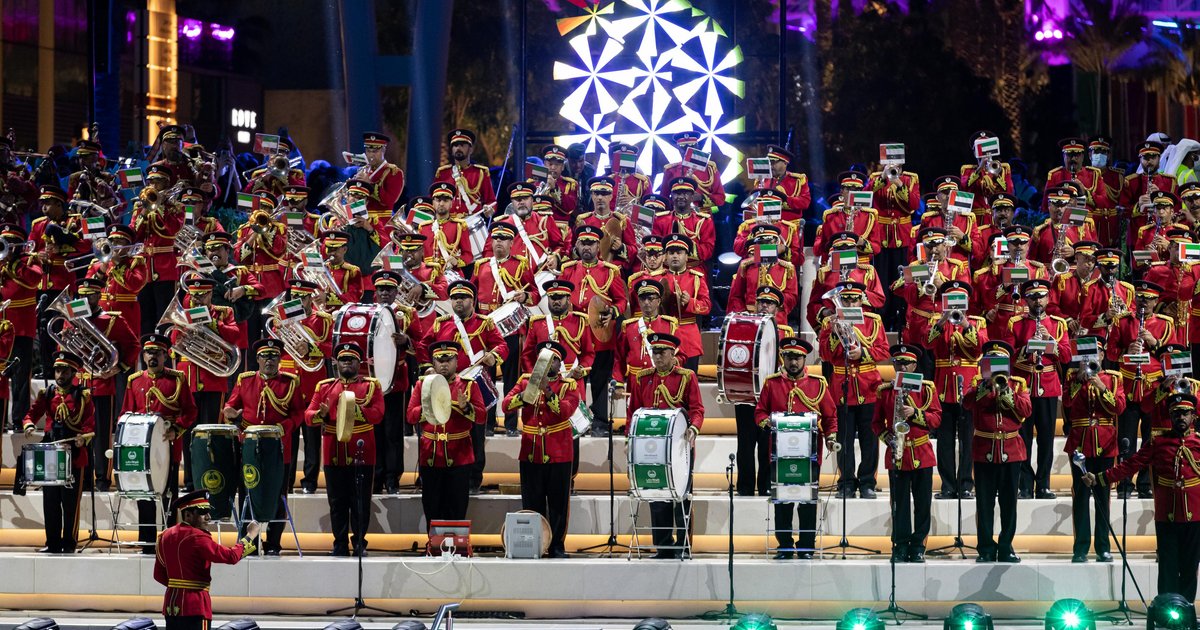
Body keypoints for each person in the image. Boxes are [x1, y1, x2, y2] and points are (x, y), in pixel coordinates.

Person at [1085, 393, 1200, 601]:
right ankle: (1167, 608)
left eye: (1185, 413)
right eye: (1176, 414)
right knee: (1167, 566)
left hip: (1195, 515)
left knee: (1190, 567)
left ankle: (1187, 608)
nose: (1181, 417)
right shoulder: (1158, 443)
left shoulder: (1198, 442)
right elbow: (1131, 465)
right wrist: (1101, 478)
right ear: (1170, 417)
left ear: (1193, 416)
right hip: (1167, 515)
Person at [418, 279, 507, 492]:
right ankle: (436, 473)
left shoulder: (485, 323)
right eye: (455, 298)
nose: (458, 301)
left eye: (463, 297)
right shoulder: (441, 323)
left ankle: (473, 479)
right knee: (440, 428)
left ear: (473, 300)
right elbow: (422, 345)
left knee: (475, 433)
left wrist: (493, 357)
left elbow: (502, 345)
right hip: (443, 385)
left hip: (472, 387)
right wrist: (428, 367)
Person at [755, 337, 836, 559]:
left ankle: (807, 546)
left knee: (808, 501)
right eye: (789, 357)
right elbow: (759, 413)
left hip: (810, 455)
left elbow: (830, 417)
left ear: (804, 359)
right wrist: (769, 423)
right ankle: (784, 546)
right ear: (783, 358)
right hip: (780, 454)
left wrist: (831, 437)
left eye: (798, 358)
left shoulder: (818, 384)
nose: (793, 362)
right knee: (782, 501)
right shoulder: (771, 384)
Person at [222, 339, 304, 555]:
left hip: (279, 447)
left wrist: (283, 427)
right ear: (257, 359)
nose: (269, 360)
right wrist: (230, 411)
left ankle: (274, 543)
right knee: (248, 494)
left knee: (278, 495)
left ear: (280, 359)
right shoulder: (245, 380)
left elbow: (298, 413)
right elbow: (231, 404)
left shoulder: (290, 382)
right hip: (250, 447)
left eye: (274, 356)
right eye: (265, 356)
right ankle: (249, 542)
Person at [502, 340, 582, 558]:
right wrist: (526, 394)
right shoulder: (524, 381)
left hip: (559, 452)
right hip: (531, 451)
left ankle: (556, 546)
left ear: (559, 363)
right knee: (532, 502)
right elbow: (506, 405)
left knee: (558, 504)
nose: (547, 363)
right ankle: (534, 545)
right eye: (543, 359)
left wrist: (547, 390)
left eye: (552, 360)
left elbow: (564, 411)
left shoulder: (568, 385)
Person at [627, 332, 703, 559]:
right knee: (656, 494)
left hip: (679, 447)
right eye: (654, 352)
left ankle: (684, 546)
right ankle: (663, 546)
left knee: (681, 497)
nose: (657, 357)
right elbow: (633, 412)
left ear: (673, 353)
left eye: (662, 352)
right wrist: (630, 439)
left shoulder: (686, 376)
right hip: (651, 446)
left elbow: (697, 409)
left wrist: (694, 428)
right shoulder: (642, 378)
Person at [304, 342, 384, 557]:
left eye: (351, 359)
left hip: (362, 451)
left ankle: (359, 543)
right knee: (337, 502)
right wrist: (320, 415)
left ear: (359, 363)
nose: (347, 363)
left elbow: (378, 414)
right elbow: (308, 416)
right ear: (335, 363)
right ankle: (339, 544)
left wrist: (357, 411)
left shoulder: (371, 385)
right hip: (334, 452)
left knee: (361, 501)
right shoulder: (324, 387)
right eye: (343, 359)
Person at [122, 333, 198, 553]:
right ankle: (147, 542)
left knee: (169, 495)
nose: (152, 356)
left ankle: (170, 540)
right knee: (144, 494)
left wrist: (177, 429)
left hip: (168, 442)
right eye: (148, 352)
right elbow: (125, 413)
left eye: (157, 352)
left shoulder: (178, 379)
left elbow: (190, 411)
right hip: (141, 445)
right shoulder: (134, 380)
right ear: (143, 356)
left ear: (166, 355)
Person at [818, 281, 890, 498]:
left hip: (868, 386)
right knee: (844, 438)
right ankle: (846, 482)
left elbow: (883, 351)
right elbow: (825, 355)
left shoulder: (873, 320)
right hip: (842, 385)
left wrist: (863, 354)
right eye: (845, 300)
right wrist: (834, 331)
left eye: (854, 300)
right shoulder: (829, 322)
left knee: (870, 438)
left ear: (861, 301)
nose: (849, 304)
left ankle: (867, 481)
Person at [1002, 279, 1073, 499]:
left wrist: (1050, 341)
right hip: (1023, 385)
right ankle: (1025, 484)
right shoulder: (1015, 322)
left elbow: (1067, 356)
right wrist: (1027, 347)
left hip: (1048, 386)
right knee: (1023, 437)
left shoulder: (1058, 324)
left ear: (1048, 298)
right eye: (1033, 297)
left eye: (1041, 296)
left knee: (1046, 439)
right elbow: (1007, 356)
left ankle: (1043, 484)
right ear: (1026, 300)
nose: (1037, 301)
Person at [66, 277, 138, 492]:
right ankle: (82, 477)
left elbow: (134, 345)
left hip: (102, 385)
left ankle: (102, 479)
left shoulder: (111, 320)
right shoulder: (72, 318)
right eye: (81, 296)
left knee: (101, 436)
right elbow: (65, 348)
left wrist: (120, 367)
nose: (85, 301)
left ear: (99, 296)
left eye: (90, 296)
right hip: (78, 386)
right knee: (78, 434)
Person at [1107, 279, 1177, 499]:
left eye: (1148, 299)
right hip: (1129, 387)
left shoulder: (1166, 324)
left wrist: (1155, 343)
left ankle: (1145, 484)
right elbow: (1110, 353)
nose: (1143, 302)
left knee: (1151, 439)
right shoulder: (1122, 321)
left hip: (1153, 390)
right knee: (1125, 439)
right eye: (1140, 298)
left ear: (1156, 302)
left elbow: (1174, 358)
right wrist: (1127, 350)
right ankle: (1124, 484)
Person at [406, 341, 486, 533]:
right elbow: (410, 416)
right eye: (439, 360)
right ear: (433, 362)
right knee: (432, 509)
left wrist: (466, 407)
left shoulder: (468, 385)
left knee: (457, 509)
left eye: (448, 360)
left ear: (457, 361)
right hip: (431, 457)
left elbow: (482, 416)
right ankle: (434, 546)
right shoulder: (422, 385)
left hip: (460, 457)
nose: (444, 364)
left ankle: (456, 546)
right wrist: (430, 407)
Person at [963, 340, 1031, 563]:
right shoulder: (977, 383)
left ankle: (1005, 546)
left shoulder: (1018, 384)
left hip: (1011, 450)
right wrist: (985, 386)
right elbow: (967, 403)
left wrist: (1007, 390)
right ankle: (985, 548)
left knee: (1009, 503)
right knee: (984, 503)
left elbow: (1026, 410)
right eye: (991, 362)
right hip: (985, 450)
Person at [153, 490, 260, 630]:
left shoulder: (164, 536)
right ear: (188, 515)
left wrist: (178, 587)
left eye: (209, 512)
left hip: (171, 606)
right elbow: (231, 556)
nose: (208, 517)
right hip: (195, 606)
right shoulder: (198, 537)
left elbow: (158, 575)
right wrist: (250, 535)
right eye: (203, 513)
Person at [21, 350, 94, 553]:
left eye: (64, 371)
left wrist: (83, 437)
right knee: (50, 501)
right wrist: (29, 424)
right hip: (51, 452)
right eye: (57, 371)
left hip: (74, 453)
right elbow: (31, 414)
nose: (60, 375)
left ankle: (69, 543)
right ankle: (52, 543)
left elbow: (90, 424)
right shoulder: (48, 394)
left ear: (73, 373)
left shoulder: (83, 396)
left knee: (70, 503)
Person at [873, 345, 940, 562]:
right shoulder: (885, 391)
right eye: (897, 363)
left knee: (922, 503)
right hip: (897, 454)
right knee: (899, 504)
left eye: (906, 363)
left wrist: (916, 413)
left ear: (914, 365)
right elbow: (876, 423)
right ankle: (900, 545)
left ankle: (918, 545)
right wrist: (889, 439)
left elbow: (936, 419)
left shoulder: (927, 389)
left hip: (921, 453)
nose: (901, 367)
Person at [559, 225, 627, 436]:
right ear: (577, 246)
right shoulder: (568, 270)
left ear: (598, 246)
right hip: (575, 334)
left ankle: (600, 422)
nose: (586, 247)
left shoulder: (610, 271)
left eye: (591, 243)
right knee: (574, 379)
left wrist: (613, 312)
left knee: (600, 379)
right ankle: (574, 419)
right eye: (583, 243)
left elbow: (621, 301)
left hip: (600, 333)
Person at [472, 223, 539, 435]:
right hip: (486, 328)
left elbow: (535, 294)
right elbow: (471, 294)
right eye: (495, 238)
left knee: (511, 378)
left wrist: (525, 296)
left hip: (511, 329)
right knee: (486, 377)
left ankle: (511, 424)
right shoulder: (481, 265)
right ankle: (487, 423)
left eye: (503, 238)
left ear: (511, 243)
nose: (498, 242)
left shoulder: (521, 265)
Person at [1062, 338, 1124, 563]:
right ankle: (1080, 548)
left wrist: (1102, 387)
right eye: (1087, 353)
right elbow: (1067, 403)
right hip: (1080, 442)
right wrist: (1079, 379)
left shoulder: (1113, 378)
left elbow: (1119, 407)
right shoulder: (1072, 377)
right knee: (1080, 496)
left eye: (1096, 352)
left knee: (1103, 496)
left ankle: (1103, 547)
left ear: (1102, 355)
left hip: (1105, 443)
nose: (1091, 357)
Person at [926, 281, 987, 499]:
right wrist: (943, 320)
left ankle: (966, 484)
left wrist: (966, 324)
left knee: (968, 439)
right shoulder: (937, 321)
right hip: (944, 386)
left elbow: (981, 347)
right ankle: (948, 485)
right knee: (945, 440)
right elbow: (927, 343)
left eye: (959, 301)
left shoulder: (977, 322)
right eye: (950, 301)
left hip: (968, 386)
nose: (955, 305)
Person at [277, 279, 333, 494]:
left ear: (310, 298)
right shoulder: (283, 318)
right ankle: (286, 481)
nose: (298, 301)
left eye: (302, 297)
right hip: (288, 382)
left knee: (312, 437)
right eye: (295, 297)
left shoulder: (323, 319)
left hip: (312, 381)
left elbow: (332, 347)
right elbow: (276, 348)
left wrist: (311, 347)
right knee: (288, 436)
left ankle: (310, 481)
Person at [0, 223, 42, 429]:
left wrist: (15, 264)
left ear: (17, 244)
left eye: (10, 242)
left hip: (21, 327)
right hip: (2, 329)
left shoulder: (29, 261)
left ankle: (19, 419)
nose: (5, 246)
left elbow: (35, 279)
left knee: (20, 375)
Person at [658, 234, 710, 370]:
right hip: (664, 335)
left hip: (689, 339)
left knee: (690, 379)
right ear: (666, 257)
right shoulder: (658, 279)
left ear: (687, 256)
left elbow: (707, 306)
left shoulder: (696, 278)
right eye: (671, 253)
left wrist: (690, 302)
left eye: (679, 253)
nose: (675, 256)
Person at [652, 178, 716, 270]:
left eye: (685, 193)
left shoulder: (704, 221)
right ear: (671, 196)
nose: (681, 197)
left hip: (694, 269)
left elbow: (708, 250)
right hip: (666, 269)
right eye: (677, 193)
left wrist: (684, 244)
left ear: (692, 196)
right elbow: (656, 248)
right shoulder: (660, 220)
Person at [433, 128, 496, 217]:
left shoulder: (480, 173)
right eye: (455, 145)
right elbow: (433, 199)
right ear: (452, 150)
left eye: (462, 145)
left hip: (472, 221)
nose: (458, 148)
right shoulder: (443, 173)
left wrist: (489, 210)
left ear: (471, 150)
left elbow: (491, 201)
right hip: (447, 222)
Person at [659, 131, 725, 212]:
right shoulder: (671, 170)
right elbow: (663, 199)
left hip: (703, 215)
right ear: (678, 148)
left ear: (697, 146)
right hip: (678, 215)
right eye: (683, 147)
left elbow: (720, 198)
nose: (687, 150)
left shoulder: (710, 169)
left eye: (691, 146)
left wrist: (701, 198)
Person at [959, 131, 1015, 224]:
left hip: (997, 218)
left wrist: (996, 175)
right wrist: (978, 170)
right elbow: (964, 190)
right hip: (975, 220)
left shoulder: (1002, 169)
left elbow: (1009, 191)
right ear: (975, 153)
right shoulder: (967, 170)